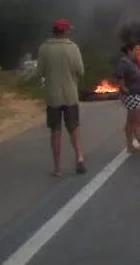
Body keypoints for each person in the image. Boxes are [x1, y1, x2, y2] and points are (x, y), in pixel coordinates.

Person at [37, 19, 86, 177]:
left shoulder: (44, 48)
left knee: (55, 131)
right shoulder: (73, 48)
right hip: (70, 95)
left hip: (53, 97)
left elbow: (40, 73)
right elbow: (81, 72)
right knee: (74, 128)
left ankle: (58, 168)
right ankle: (79, 157)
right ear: (65, 31)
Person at [115, 43, 140, 155]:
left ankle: (130, 146)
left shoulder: (135, 62)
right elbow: (119, 75)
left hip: (137, 94)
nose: (139, 52)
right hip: (132, 95)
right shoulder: (124, 62)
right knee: (137, 122)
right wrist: (123, 87)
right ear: (129, 51)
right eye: (136, 50)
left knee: (131, 122)